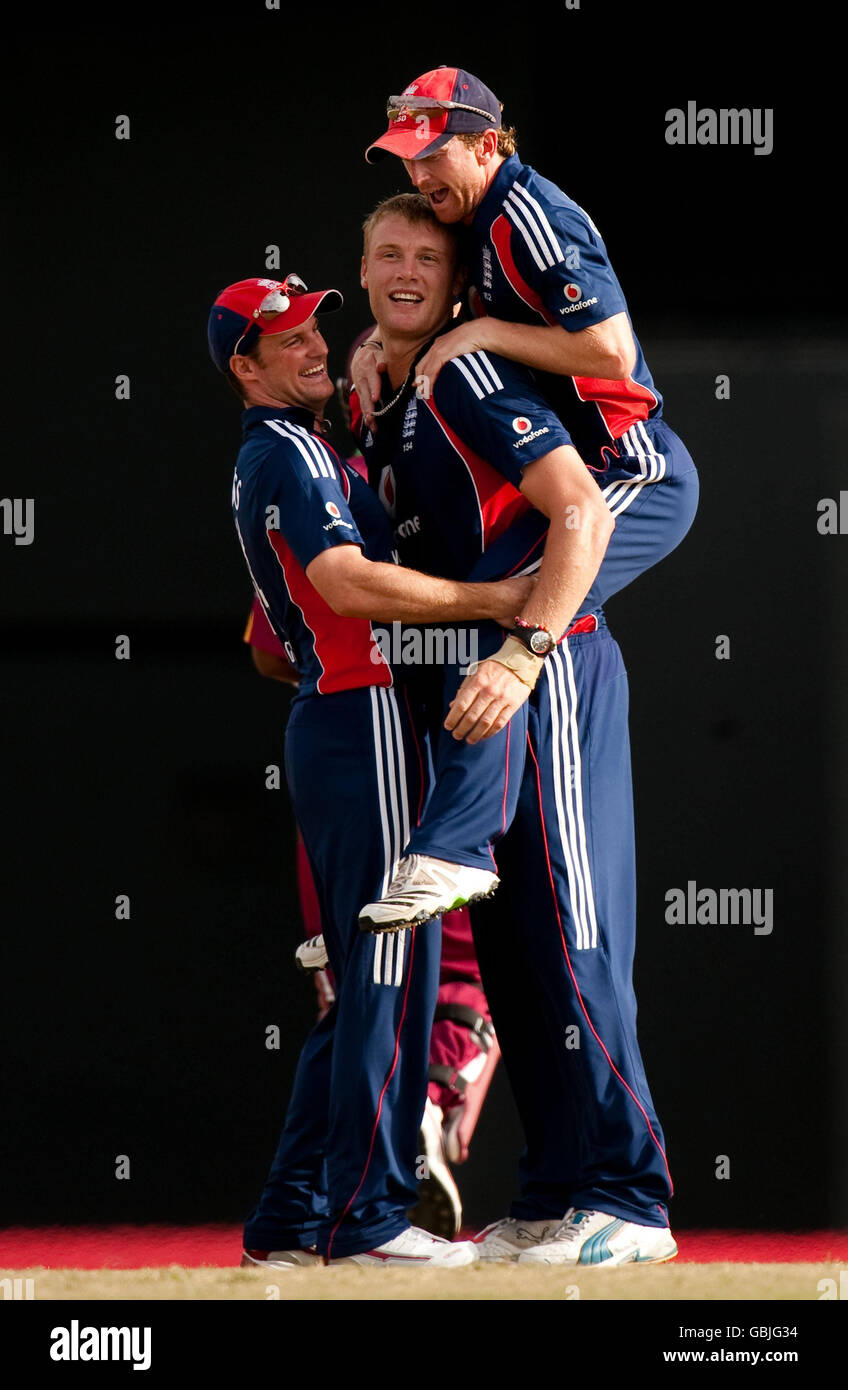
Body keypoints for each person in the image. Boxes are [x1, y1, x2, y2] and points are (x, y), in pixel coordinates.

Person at [351, 194, 686, 1265]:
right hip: (485, 692)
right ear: (359, 272)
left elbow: (586, 505)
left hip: (552, 670)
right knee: (518, 948)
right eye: (385, 254)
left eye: (426, 257)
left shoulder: (471, 374)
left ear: (462, 288)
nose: (405, 271)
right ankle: (554, 1189)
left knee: (578, 937)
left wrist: (519, 651)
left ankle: (629, 1196)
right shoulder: (388, 392)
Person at [208, 273, 533, 1266]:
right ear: (243, 365)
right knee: (393, 974)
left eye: (315, 326)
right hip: (360, 718)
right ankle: (372, 1219)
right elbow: (343, 580)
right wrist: (495, 601)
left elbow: (271, 640)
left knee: (360, 987)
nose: (312, 343)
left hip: (336, 717)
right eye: (286, 336)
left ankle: (289, 1223)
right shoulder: (294, 450)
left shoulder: (290, 450)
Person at [243, 593, 500, 1240]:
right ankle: (390, 1180)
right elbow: (342, 582)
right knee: (432, 984)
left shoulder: (319, 491)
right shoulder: (366, 498)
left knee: (355, 1001)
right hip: (414, 755)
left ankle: (295, 1218)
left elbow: (270, 654)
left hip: (336, 745)